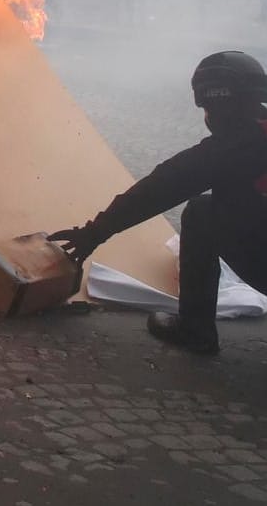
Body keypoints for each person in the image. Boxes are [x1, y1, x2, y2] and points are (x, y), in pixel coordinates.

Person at [50, 51, 267, 356]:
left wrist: (95, 232)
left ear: (217, 103)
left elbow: (163, 187)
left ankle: (195, 330)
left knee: (201, 214)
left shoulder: (242, 145)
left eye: (206, 106)